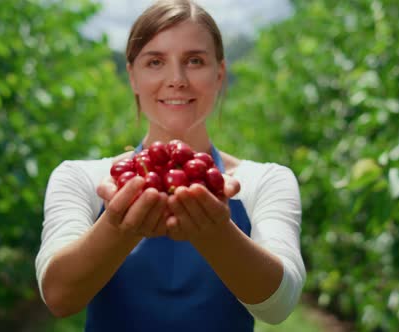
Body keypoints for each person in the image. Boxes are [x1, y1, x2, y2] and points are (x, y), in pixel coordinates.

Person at [35, 0, 306, 331]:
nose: (176, 79)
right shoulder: (80, 178)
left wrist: (217, 233)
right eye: (155, 62)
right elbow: (59, 297)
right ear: (132, 75)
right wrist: (118, 229)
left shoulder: (264, 181)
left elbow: (279, 306)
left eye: (195, 61)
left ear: (219, 74)